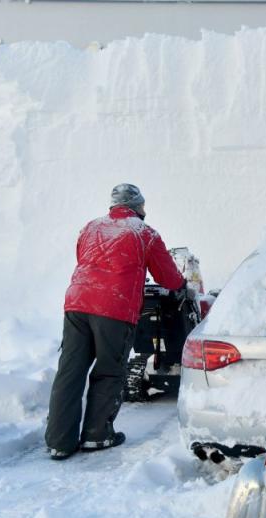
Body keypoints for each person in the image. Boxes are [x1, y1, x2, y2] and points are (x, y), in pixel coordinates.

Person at [45, 184, 185, 460]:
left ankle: (59, 442)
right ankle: (97, 435)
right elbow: (168, 278)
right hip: (114, 308)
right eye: (143, 206)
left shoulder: (90, 227)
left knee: (70, 372)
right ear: (137, 206)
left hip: (77, 303)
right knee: (109, 371)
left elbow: (85, 259)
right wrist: (181, 285)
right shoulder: (144, 232)